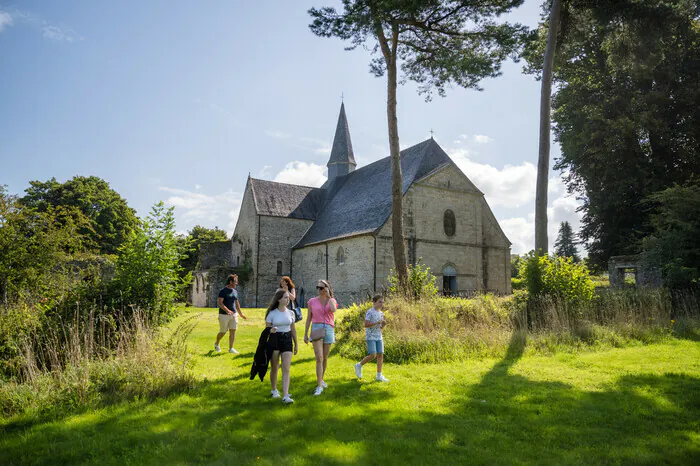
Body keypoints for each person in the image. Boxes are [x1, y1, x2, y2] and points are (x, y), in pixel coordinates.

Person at [303, 279, 337, 396]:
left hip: (328, 328)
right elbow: (308, 318)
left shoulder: (331, 300)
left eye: (322, 287)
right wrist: (305, 334)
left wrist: (328, 296)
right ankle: (319, 386)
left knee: (325, 358)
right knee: (319, 357)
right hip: (316, 328)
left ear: (327, 288)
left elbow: (333, 310)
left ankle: (321, 380)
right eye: (318, 287)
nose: (319, 290)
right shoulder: (312, 301)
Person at [265, 289, 298, 404]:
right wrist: (271, 330)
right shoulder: (272, 314)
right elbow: (266, 330)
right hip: (275, 340)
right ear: (279, 299)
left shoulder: (291, 313)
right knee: (275, 367)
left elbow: (293, 329)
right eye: (285, 297)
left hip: (287, 340)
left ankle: (286, 395)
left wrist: (296, 344)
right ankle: (274, 390)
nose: (287, 299)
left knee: (286, 368)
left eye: (288, 298)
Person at [354, 295, 389, 382]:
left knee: (380, 355)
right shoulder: (370, 312)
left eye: (382, 302)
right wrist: (377, 322)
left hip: (379, 336)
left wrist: (383, 325)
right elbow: (366, 325)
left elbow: (380, 327)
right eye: (379, 302)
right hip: (370, 337)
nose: (381, 304)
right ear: (374, 302)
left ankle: (379, 376)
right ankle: (359, 365)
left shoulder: (381, 313)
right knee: (373, 355)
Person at [214, 274, 247, 354]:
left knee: (233, 331)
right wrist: (227, 310)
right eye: (235, 282)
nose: (237, 283)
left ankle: (231, 348)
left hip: (234, 315)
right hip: (223, 315)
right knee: (223, 332)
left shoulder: (235, 291)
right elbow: (220, 303)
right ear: (230, 281)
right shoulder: (223, 291)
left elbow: (237, 303)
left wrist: (241, 314)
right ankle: (216, 343)